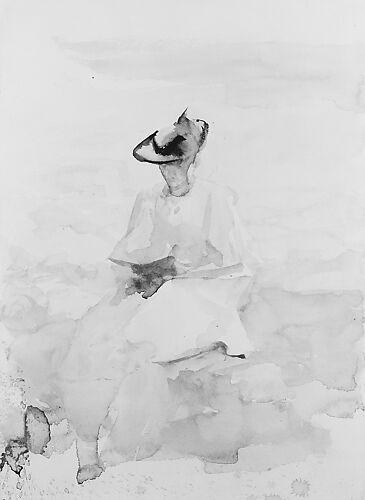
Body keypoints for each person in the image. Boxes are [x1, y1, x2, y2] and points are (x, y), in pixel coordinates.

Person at [8, 110, 255, 483]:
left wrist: (173, 267)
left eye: (176, 162)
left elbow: (231, 260)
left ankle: (84, 443)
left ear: (193, 160)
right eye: (164, 164)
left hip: (204, 297)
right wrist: (140, 270)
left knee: (124, 342)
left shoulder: (215, 198)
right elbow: (131, 248)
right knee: (94, 328)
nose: (169, 171)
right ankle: (71, 430)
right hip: (155, 291)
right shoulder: (149, 198)